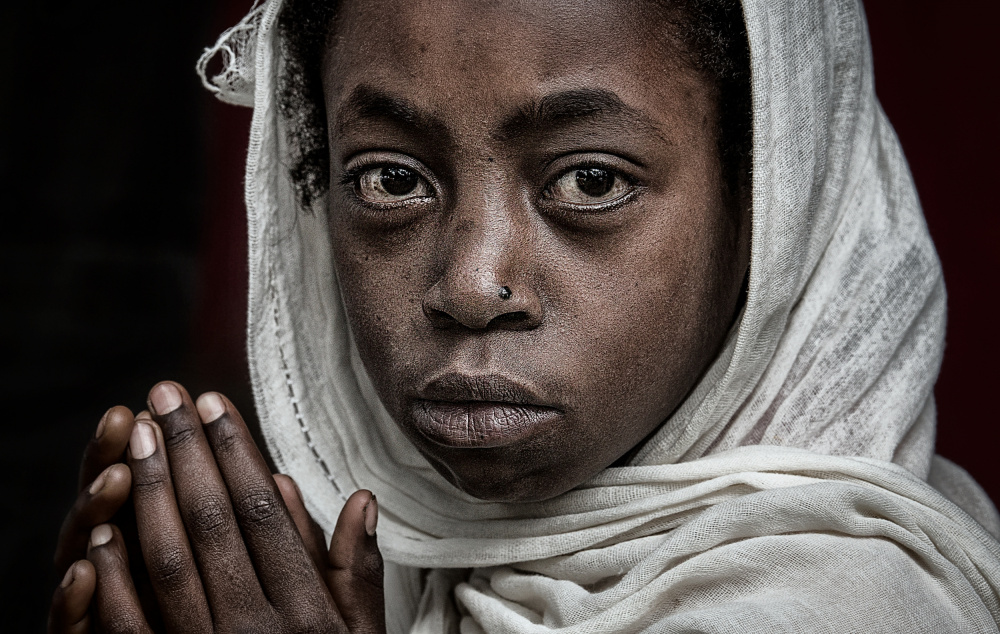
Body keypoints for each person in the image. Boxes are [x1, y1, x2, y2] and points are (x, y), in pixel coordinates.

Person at [48, 0, 1000, 631]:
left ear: (777, 204)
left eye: (590, 181)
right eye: (391, 178)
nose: (469, 283)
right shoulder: (391, 560)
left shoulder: (850, 606)